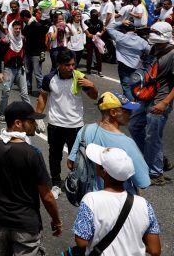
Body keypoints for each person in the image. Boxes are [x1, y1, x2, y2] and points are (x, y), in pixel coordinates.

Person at [0, 102, 62, 256]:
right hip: (26, 227)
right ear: (18, 123)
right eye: (31, 121)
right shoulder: (33, 154)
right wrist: (57, 221)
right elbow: (47, 196)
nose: (34, 125)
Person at [72, 144, 161, 256]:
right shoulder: (144, 205)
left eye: (99, 164)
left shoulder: (91, 200)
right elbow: (155, 250)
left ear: (104, 172)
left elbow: (81, 242)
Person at [36, 48, 98, 196]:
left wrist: (92, 86)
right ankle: (56, 183)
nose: (71, 68)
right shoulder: (49, 78)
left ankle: (75, 182)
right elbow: (43, 97)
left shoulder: (80, 77)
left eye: (73, 64)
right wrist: (37, 117)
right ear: (59, 65)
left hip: (76, 126)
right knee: (55, 155)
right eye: (68, 65)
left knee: (77, 157)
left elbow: (94, 97)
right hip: (56, 125)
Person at [68, 92, 150, 193]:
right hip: (119, 201)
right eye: (127, 111)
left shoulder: (85, 130)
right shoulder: (127, 144)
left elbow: (70, 163)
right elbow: (143, 182)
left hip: (90, 195)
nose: (131, 113)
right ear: (113, 112)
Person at [129, 21, 174, 186]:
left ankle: (156, 173)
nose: (151, 35)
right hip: (145, 97)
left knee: (153, 137)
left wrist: (165, 103)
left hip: (160, 100)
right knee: (134, 127)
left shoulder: (172, 54)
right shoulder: (155, 49)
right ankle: (158, 159)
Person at [0, 20, 29, 124]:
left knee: (24, 93)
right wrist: (0, 72)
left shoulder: (23, 39)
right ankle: (2, 114)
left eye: (19, 28)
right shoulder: (5, 41)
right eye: (16, 28)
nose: (18, 30)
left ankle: (29, 114)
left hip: (20, 69)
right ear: (11, 28)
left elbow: (24, 52)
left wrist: (24, 65)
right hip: (8, 70)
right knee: (6, 92)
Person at [21, 10, 46, 97]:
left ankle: (41, 90)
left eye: (22, 18)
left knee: (37, 73)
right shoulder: (29, 25)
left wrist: (42, 52)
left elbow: (42, 40)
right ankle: (28, 88)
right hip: (28, 52)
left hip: (36, 53)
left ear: (24, 17)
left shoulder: (36, 25)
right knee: (28, 71)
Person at [84, 9, 105, 76]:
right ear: (90, 15)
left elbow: (103, 29)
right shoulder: (87, 22)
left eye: (96, 15)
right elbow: (84, 29)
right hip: (89, 40)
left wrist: (101, 33)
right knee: (89, 55)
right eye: (93, 15)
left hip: (97, 40)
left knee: (99, 56)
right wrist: (88, 34)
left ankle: (99, 71)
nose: (94, 16)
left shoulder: (100, 22)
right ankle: (88, 69)